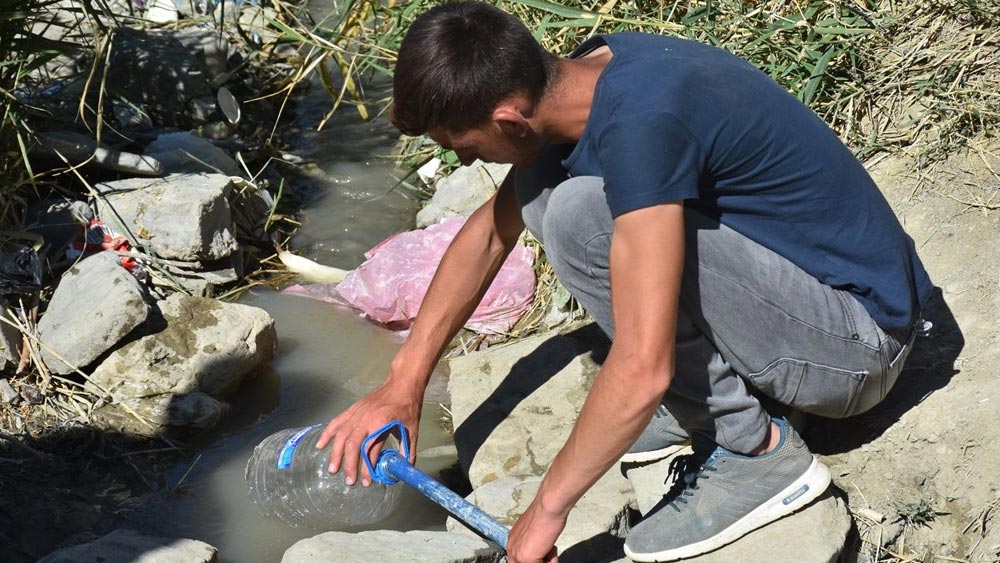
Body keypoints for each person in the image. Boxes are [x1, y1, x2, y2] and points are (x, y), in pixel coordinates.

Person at [316, 2, 933, 561]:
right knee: (547, 198)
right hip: (814, 302)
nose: (463, 162)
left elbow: (642, 367)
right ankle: (718, 403)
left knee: (581, 218)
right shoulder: (583, 83)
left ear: (507, 119)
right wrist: (404, 382)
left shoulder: (643, 124)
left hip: (857, 347)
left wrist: (545, 512)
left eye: (465, 146)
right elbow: (489, 235)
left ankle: (753, 453)